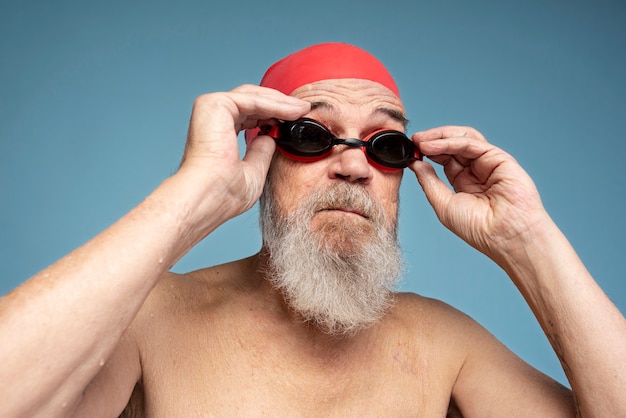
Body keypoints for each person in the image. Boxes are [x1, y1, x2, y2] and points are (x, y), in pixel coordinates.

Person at [0, 42, 624, 418]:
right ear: (260, 158)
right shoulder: (153, 319)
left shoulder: (445, 346)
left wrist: (529, 240)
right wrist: (188, 201)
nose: (354, 166)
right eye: (313, 136)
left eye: (385, 145)